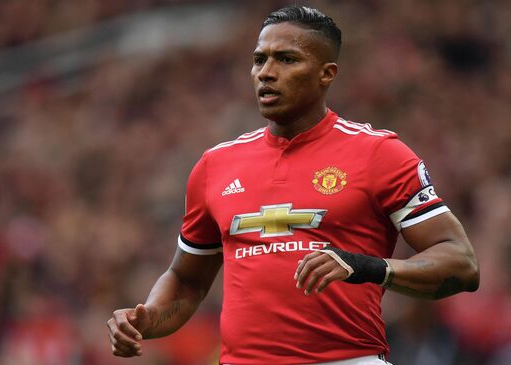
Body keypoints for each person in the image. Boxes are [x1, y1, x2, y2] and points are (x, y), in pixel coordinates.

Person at [107, 5, 479, 365]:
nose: (266, 72)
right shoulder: (214, 166)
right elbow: (186, 281)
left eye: (286, 59)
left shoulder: (379, 154)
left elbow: (461, 263)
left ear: (326, 73)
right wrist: (146, 319)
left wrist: (371, 268)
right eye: (259, 59)